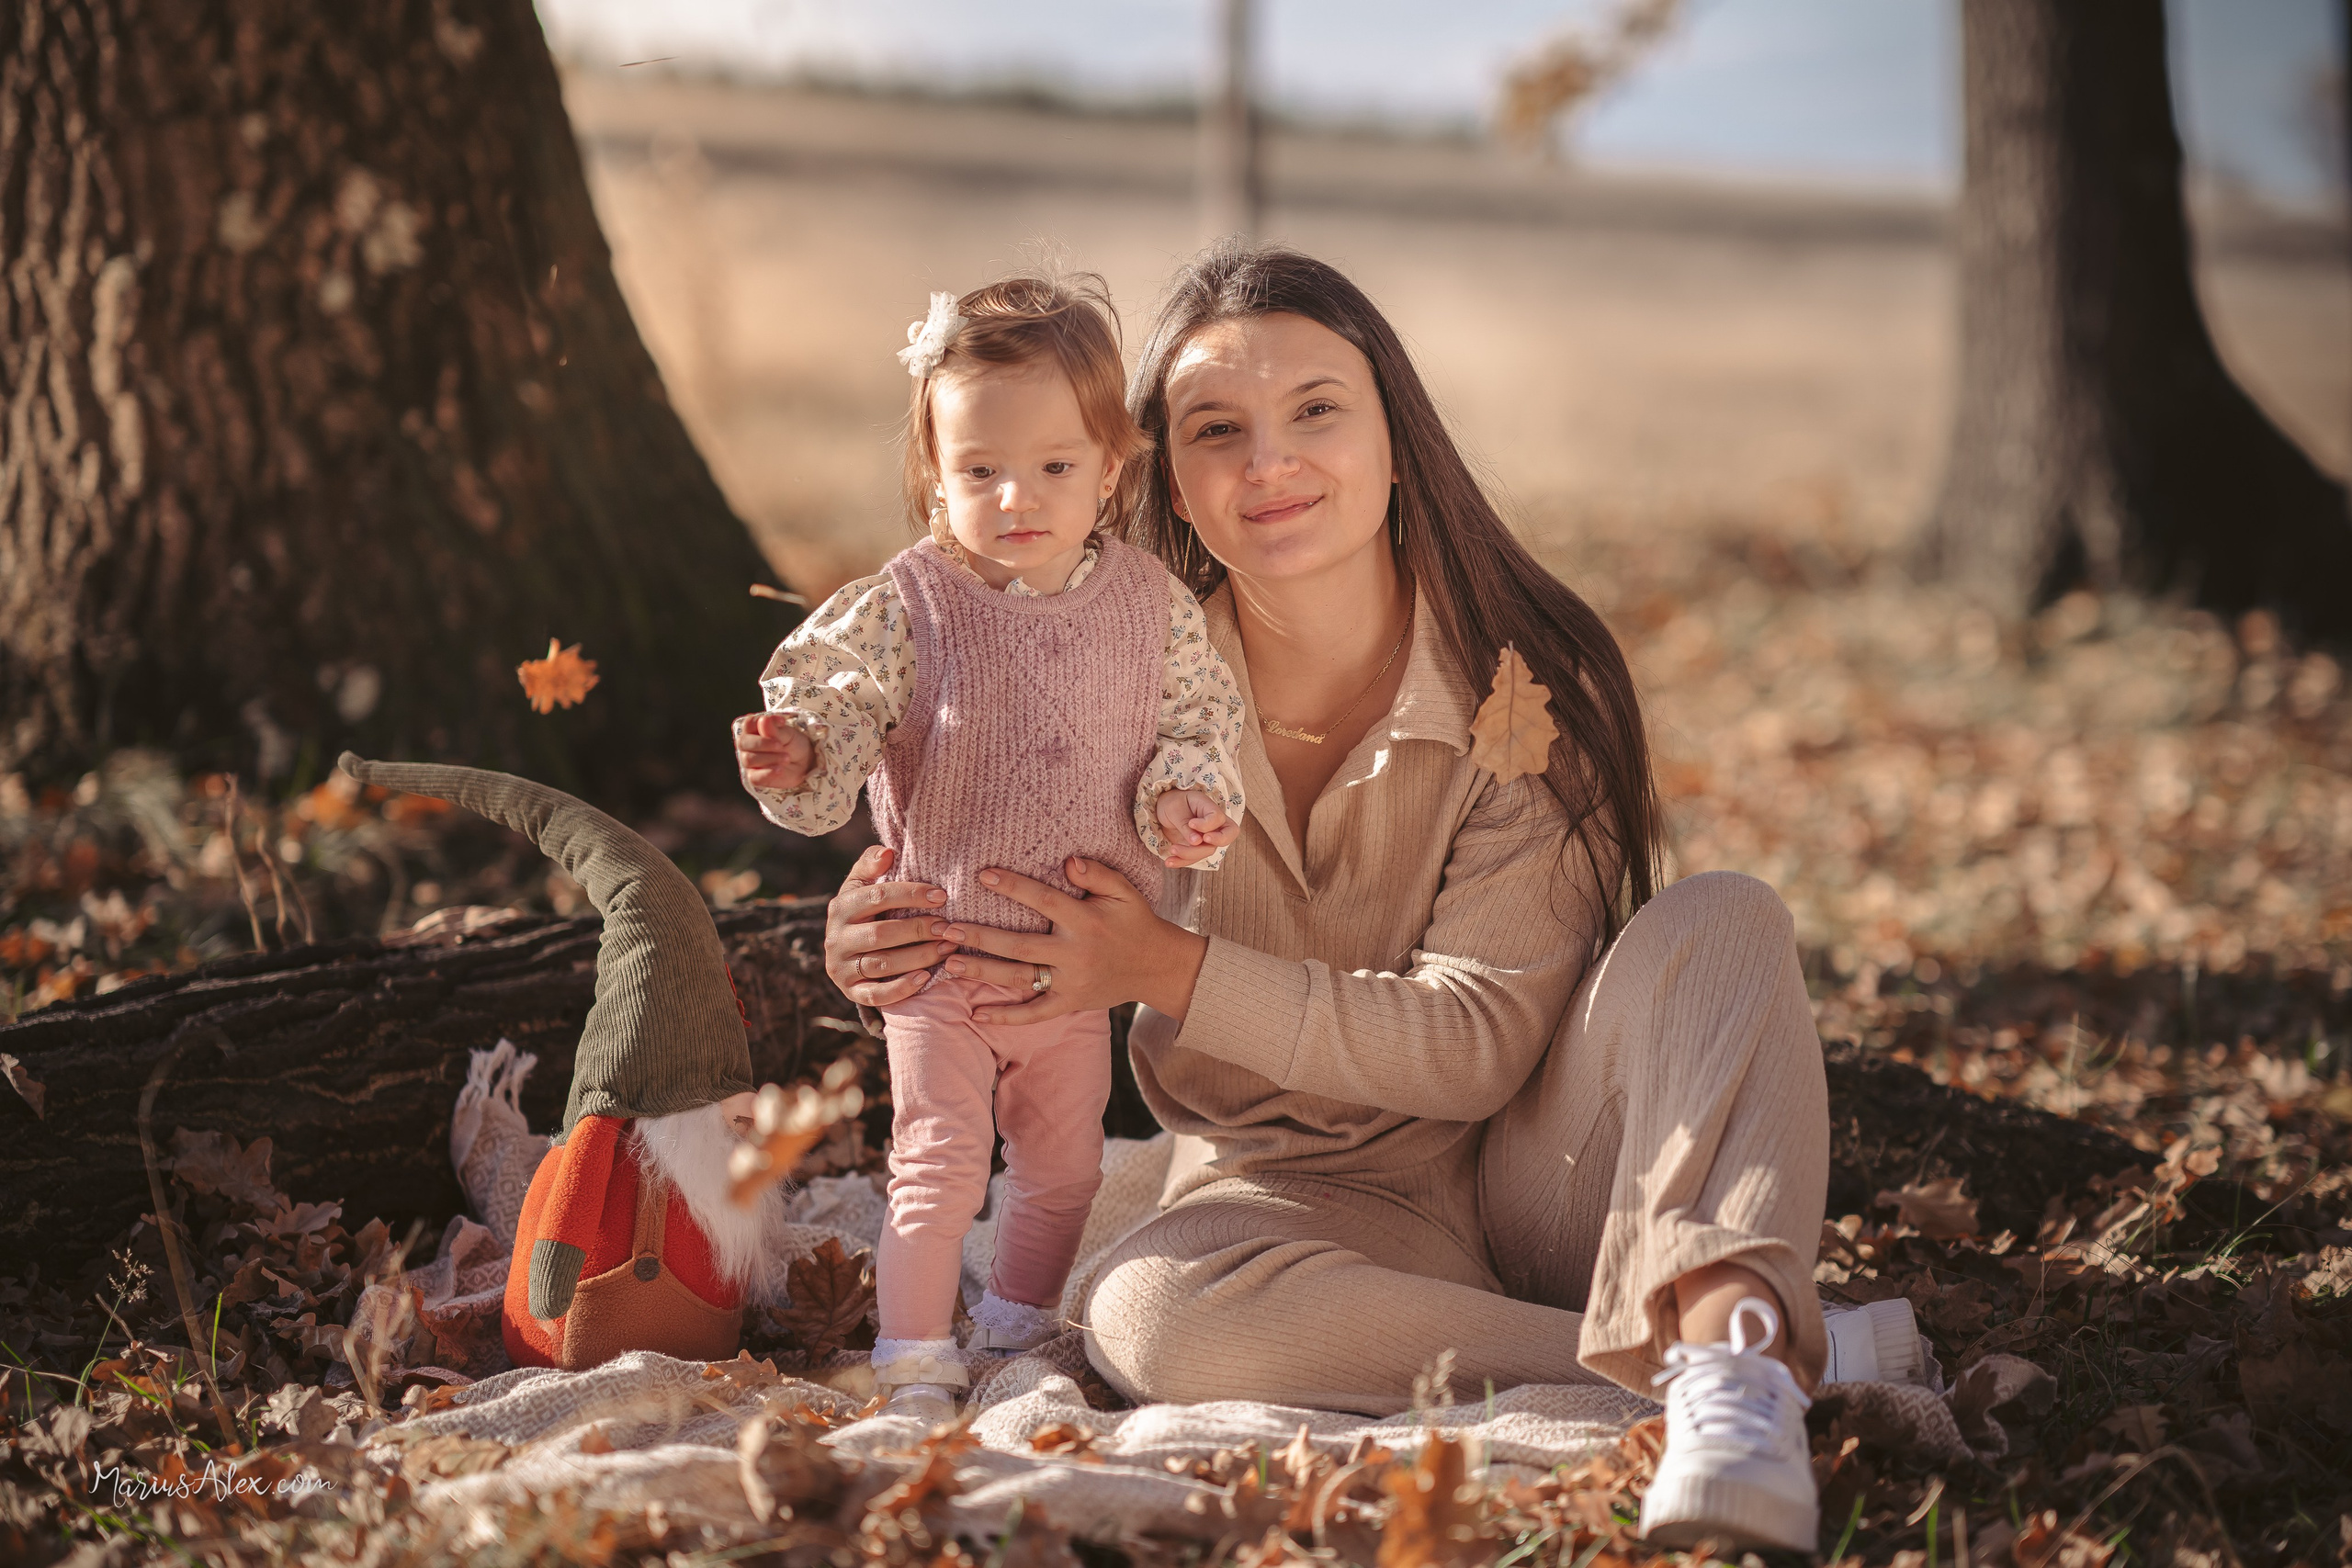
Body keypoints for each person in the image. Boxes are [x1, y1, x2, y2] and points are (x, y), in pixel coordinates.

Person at [810, 243, 1913, 1551]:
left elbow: (1479, 1044)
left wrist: (1165, 966)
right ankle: (1758, 1347)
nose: (1270, 462)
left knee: (1725, 917)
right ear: (1162, 476)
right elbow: (984, 858)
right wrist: (888, 929)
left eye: (1317, 410)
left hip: (1534, 1168)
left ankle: (1735, 1388)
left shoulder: (1526, 684)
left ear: (1398, 434)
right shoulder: (1103, 675)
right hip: (1282, 1191)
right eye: (1219, 430)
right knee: (1149, 1316)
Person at [733, 276, 1249, 1426]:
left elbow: (1194, 728)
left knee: (1064, 1170)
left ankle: (1014, 1320)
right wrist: (796, 751)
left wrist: (1187, 806)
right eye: (979, 472)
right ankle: (913, 1354)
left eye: (1055, 467)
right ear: (935, 475)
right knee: (938, 1164)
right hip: (938, 956)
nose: (1016, 496)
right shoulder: (908, 606)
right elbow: (836, 712)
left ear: (1111, 468)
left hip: (1074, 969)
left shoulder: (1150, 606)